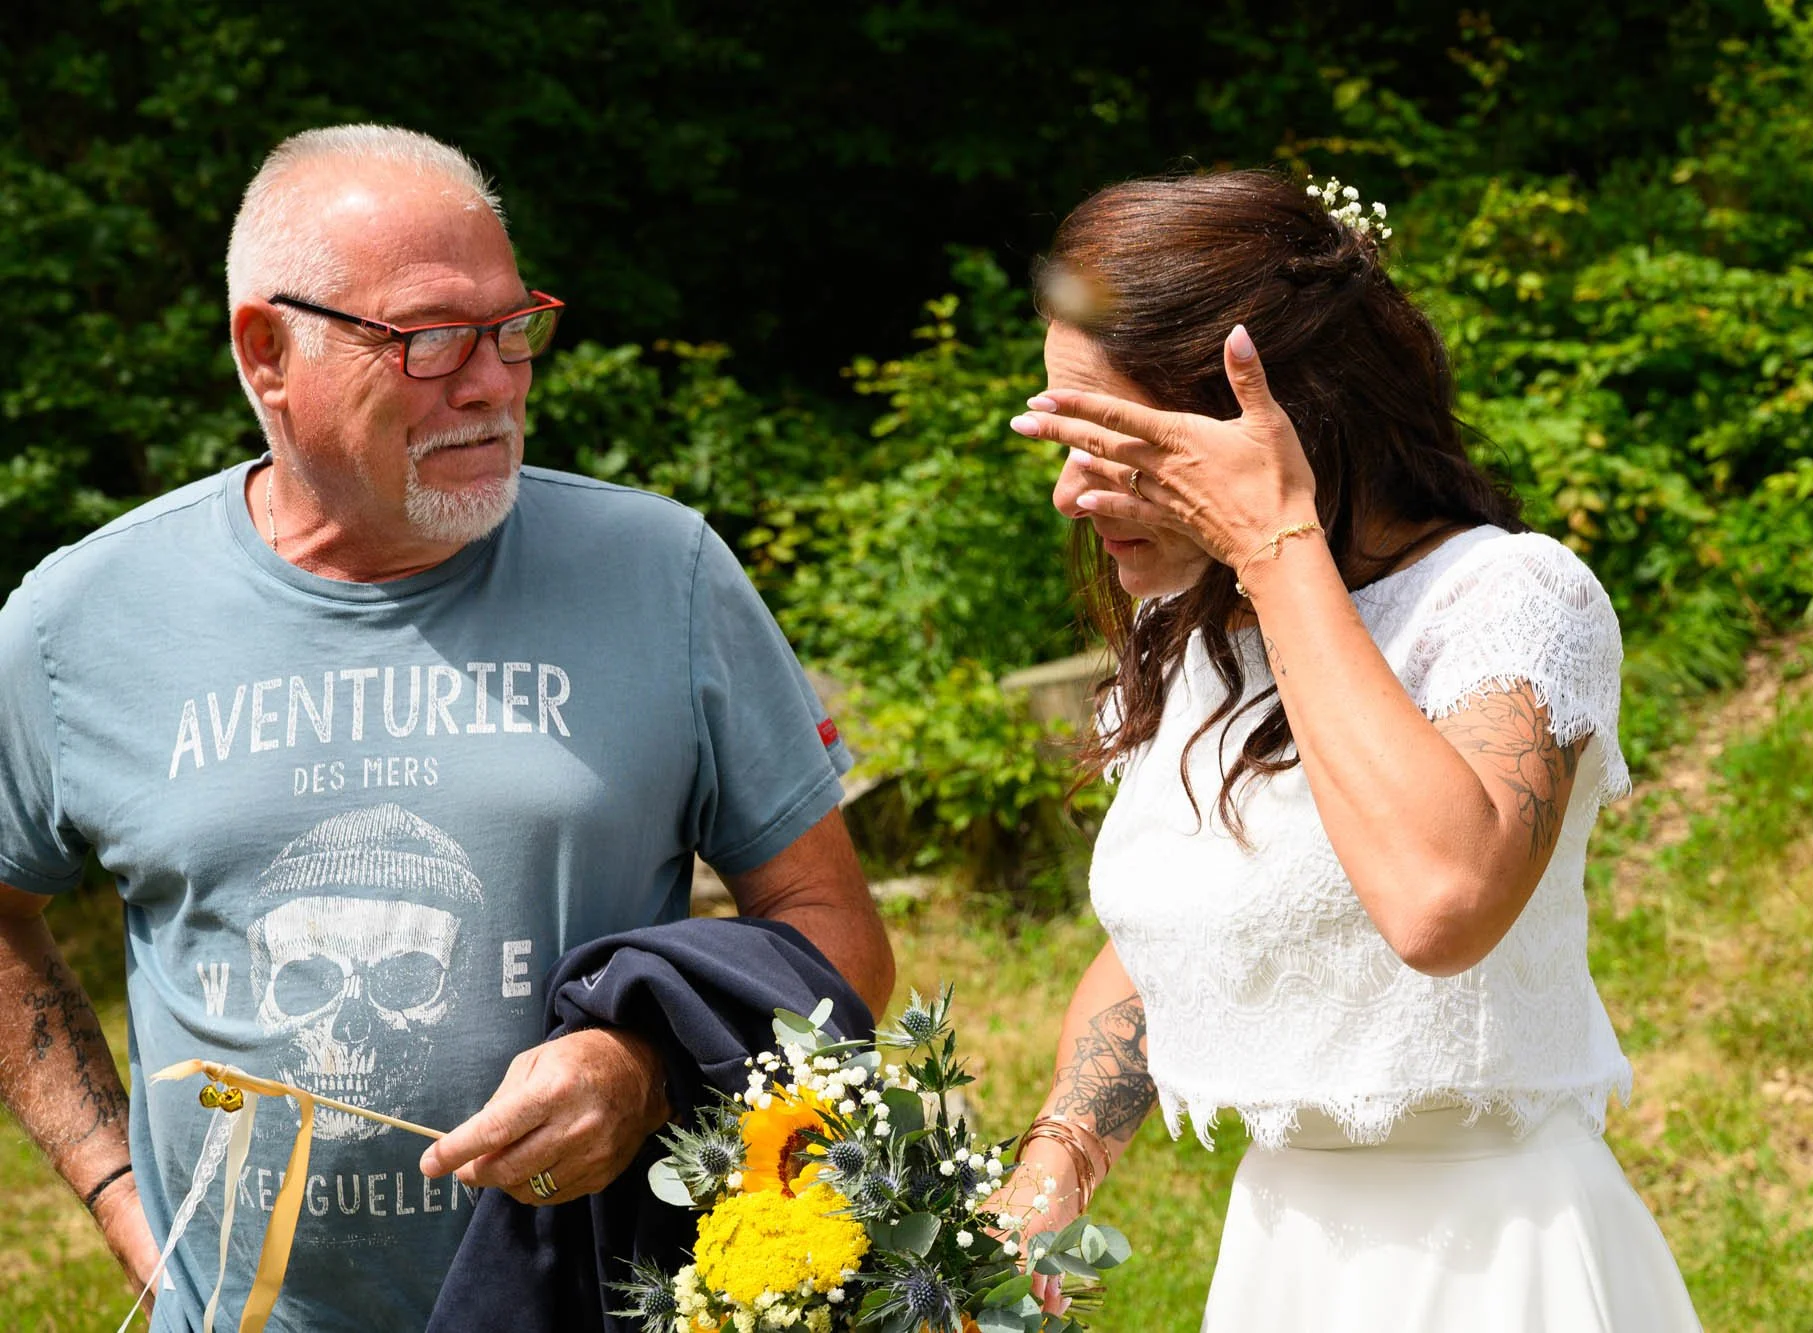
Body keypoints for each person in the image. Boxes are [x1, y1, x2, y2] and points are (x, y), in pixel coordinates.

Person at [0, 123, 893, 1331]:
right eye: (427, 339)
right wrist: (120, 1193)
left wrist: (644, 1068)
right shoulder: (81, 621)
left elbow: (837, 934)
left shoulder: (661, 574)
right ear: (267, 351)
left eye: (511, 328)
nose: (492, 383)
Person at [1001, 170, 1701, 1329]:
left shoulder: (1511, 600)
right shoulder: (1199, 636)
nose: (1069, 494)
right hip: (1284, 1255)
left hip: (1493, 1258)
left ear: (1268, 419)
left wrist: (1273, 543)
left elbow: (1440, 901)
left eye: (1113, 444)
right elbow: (1175, 933)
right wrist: (1051, 1173)